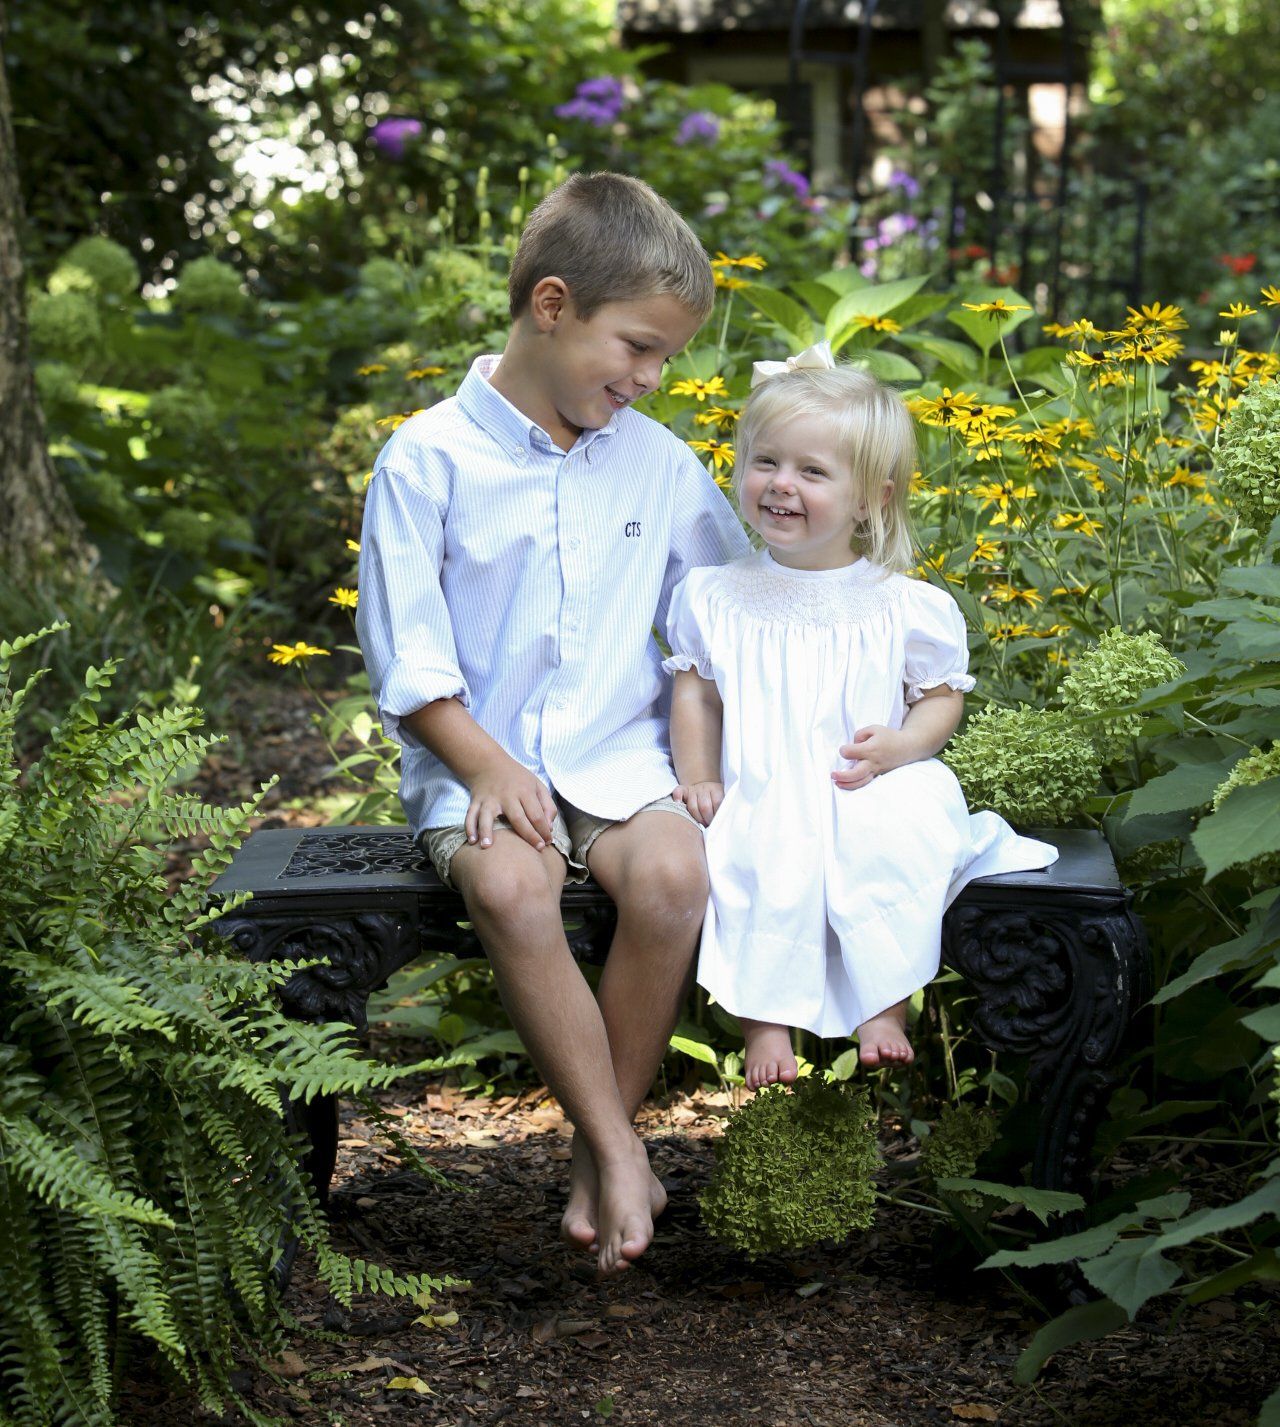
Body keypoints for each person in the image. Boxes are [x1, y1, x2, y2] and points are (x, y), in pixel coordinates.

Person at [355, 173, 749, 1273]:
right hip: (476, 761)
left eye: (664, 357)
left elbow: (717, 617)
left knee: (673, 876)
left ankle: (601, 1146)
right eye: (635, 347)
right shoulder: (426, 458)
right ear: (552, 304)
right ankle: (622, 1146)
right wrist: (482, 766)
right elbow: (409, 657)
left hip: (621, 755)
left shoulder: (659, 465)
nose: (648, 378)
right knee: (511, 882)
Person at [664, 343, 1057, 1091]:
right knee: (749, 854)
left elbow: (941, 694)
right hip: (766, 779)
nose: (781, 485)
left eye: (813, 472)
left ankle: (886, 1002)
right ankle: (764, 1024)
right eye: (765, 461)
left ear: (871, 497)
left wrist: (905, 745)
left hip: (862, 778)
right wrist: (701, 776)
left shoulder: (901, 603)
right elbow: (697, 691)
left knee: (895, 838)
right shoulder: (717, 594)